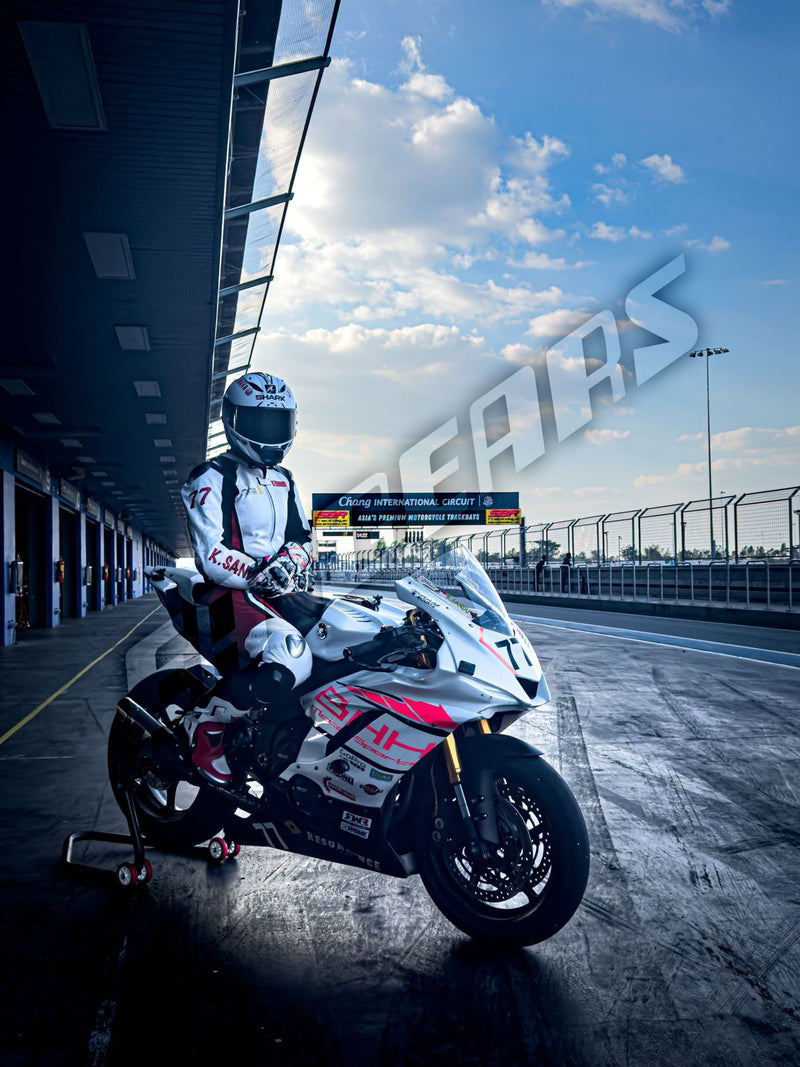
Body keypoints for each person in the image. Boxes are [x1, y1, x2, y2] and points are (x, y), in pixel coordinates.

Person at [179, 371, 314, 785]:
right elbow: (210, 553)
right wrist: (259, 573)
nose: (271, 434)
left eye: (279, 423)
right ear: (233, 421)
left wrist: (293, 560)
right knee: (290, 656)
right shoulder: (211, 475)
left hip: (280, 592)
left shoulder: (284, 480)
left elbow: (303, 539)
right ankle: (207, 729)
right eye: (260, 423)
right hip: (229, 592)